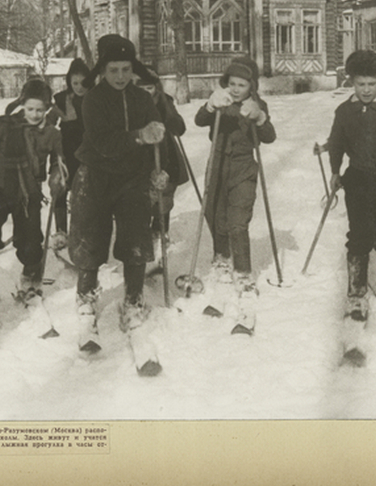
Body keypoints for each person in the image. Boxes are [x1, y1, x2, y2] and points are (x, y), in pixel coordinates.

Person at [67, 35, 166, 347]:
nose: (121, 76)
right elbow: (103, 143)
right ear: (103, 70)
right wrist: (140, 135)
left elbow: (155, 137)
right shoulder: (93, 99)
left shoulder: (142, 98)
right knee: (91, 238)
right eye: (113, 70)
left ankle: (134, 301)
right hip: (96, 174)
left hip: (132, 176)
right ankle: (86, 299)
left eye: (126, 69)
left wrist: (158, 169)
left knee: (135, 237)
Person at [0, 78, 65, 316]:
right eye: (30, 109)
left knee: (31, 243)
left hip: (28, 194)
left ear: (47, 108)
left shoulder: (51, 134)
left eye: (40, 110)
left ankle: (29, 281)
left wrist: (57, 176)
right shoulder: (4, 127)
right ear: (22, 104)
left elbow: (58, 162)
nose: (35, 114)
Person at [326, 50, 376, 319]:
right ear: (352, 83)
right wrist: (335, 171)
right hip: (358, 179)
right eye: (361, 84)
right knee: (359, 233)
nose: (366, 90)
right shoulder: (345, 110)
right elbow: (336, 143)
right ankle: (357, 290)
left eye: (372, 84)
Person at [194, 56, 276, 295]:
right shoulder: (222, 101)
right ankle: (221, 255)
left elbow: (270, 137)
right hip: (217, 164)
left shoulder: (257, 105)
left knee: (238, 220)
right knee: (213, 212)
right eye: (232, 83)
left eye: (242, 85)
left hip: (243, 168)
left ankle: (243, 272)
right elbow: (199, 121)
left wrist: (259, 118)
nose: (236, 89)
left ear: (251, 86)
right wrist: (210, 106)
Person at [134, 68, 189, 260]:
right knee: (142, 199)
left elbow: (179, 129)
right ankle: (143, 239)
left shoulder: (165, 101)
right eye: (142, 88)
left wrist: (168, 113)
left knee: (164, 197)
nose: (146, 92)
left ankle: (160, 233)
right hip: (141, 158)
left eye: (150, 88)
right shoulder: (131, 103)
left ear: (156, 87)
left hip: (167, 157)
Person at [49, 58, 90, 250]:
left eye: (83, 82)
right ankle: (61, 231)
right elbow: (47, 123)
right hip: (64, 152)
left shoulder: (94, 98)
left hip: (87, 151)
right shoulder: (60, 99)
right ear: (69, 82)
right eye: (75, 83)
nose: (79, 87)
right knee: (60, 188)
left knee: (82, 191)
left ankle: (81, 229)